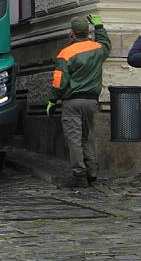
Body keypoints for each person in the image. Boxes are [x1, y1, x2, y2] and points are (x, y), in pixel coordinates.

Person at [46, 14, 111, 189]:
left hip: (72, 102)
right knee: (86, 137)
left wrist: (52, 100)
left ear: (73, 33)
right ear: (87, 32)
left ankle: (79, 175)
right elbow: (106, 44)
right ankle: (92, 172)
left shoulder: (66, 54)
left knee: (73, 139)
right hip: (91, 102)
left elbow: (60, 82)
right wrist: (99, 27)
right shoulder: (98, 49)